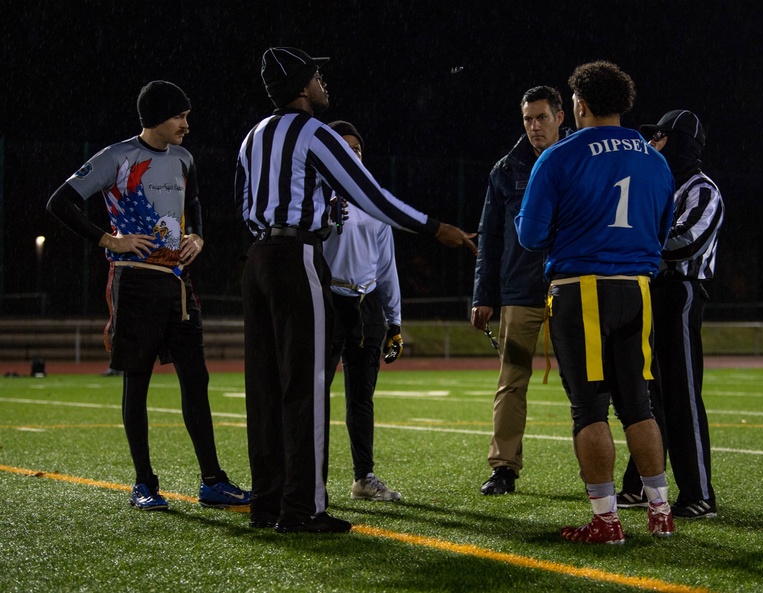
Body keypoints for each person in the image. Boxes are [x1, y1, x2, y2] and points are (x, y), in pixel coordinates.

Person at [236, 47, 476, 534]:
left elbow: (244, 205)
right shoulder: (315, 132)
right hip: (296, 256)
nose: (324, 82)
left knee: (265, 386)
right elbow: (371, 195)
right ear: (303, 87)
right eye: (318, 76)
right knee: (307, 386)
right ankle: (305, 509)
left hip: (258, 258)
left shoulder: (253, 136)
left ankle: (268, 502)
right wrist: (435, 228)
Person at [46, 80, 251, 512]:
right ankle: (144, 484)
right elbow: (60, 202)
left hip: (178, 283)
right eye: (180, 116)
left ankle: (212, 481)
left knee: (197, 379)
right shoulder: (115, 157)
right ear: (157, 117)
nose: (186, 126)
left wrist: (198, 235)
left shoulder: (184, 158)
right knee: (136, 382)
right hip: (135, 282)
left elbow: (193, 203)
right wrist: (109, 239)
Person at [516, 61, 677, 543]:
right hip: (638, 288)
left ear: (579, 105)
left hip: (581, 288)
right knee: (639, 405)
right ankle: (660, 511)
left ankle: (606, 520)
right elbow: (663, 231)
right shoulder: (655, 159)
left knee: (589, 409)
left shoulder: (561, 156)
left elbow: (530, 234)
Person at [617, 110, 725, 519]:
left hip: (679, 292)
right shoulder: (658, 185)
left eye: (661, 137)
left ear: (682, 143)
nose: (653, 144)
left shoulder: (703, 189)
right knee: (648, 395)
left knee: (681, 394)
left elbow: (685, 244)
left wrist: (639, 244)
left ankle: (699, 493)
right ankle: (641, 485)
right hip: (649, 292)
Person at [471, 86, 570, 496]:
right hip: (518, 290)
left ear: (560, 116)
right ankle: (504, 469)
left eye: (541, 117)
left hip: (570, 285)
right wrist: (482, 295)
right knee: (511, 382)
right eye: (528, 119)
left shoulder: (578, 158)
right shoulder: (506, 169)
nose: (533, 127)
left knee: (588, 382)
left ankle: (600, 472)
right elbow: (489, 237)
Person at [323, 120, 404, 502]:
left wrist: (395, 320)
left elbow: (386, 266)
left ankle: (363, 477)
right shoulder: (312, 195)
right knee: (314, 393)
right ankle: (308, 477)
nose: (352, 154)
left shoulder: (374, 199)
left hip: (367, 303)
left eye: (357, 149)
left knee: (361, 398)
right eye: (343, 148)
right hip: (326, 299)